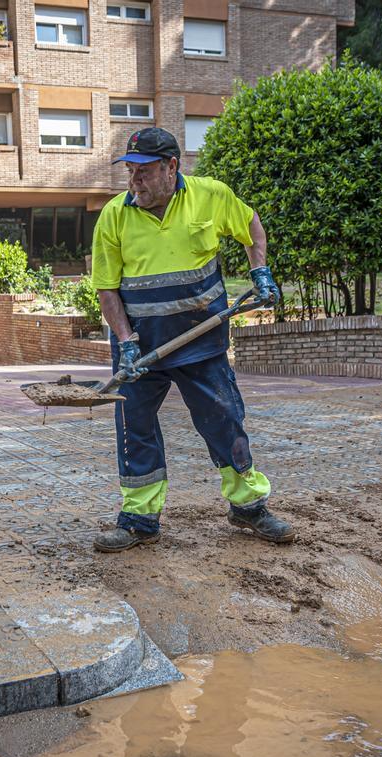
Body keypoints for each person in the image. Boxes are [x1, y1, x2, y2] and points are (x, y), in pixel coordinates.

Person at [90, 127, 292, 552]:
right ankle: (139, 520)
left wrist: (260, 271)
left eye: (144, 172)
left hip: (201, 343)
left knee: (224, 419)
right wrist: (125, 341)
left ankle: (248, 505)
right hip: (139, 349)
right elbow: (107, 289)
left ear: (171, 167)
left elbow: (251, 224)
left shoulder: (211, 195)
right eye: (130, 171)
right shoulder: (114, 214)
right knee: (135, 429)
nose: (134, 181)